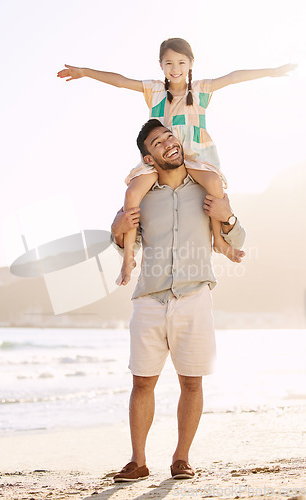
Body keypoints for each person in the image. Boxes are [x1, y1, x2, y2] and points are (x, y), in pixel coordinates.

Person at [57, 38, 295, 284]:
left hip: (193, 155)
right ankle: (128, 257)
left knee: (214, 183)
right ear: (160, 65)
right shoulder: (156, 91)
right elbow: (120, 81)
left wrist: (271, 72)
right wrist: (84, 72)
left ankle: (218, 240)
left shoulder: (201, 90)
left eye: (181, 62)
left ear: (191, 64)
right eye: (169, 62)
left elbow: (234, 77)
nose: (175, 68)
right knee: (131, 194)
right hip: (163, 158)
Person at [110, 119, 245, 482]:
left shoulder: (204, 187)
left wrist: (227, 219)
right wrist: (116, 229)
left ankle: (181, 458)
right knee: (142, 382)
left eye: (169, 135)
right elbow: (127, 242)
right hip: (150, 298)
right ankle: (137, 461)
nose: (167, 142)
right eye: (157, 142)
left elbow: (238, 234)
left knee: (192, 383)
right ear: (148, 157)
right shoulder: (142, 195)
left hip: (194, 296)